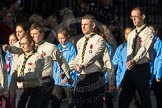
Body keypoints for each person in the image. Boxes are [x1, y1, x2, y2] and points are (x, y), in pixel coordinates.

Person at [69, 14, 114, 108]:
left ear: (93, 25)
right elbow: (78, 58)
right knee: (79, 104)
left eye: (86, 24)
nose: (83, 26)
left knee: (94, 105)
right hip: (82, 77)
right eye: (82, 24)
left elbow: (94, 55)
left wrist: (111, 82)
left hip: (95, 77)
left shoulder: (99, 40)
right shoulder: (80, 41)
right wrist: (67, 69)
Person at [118, 6, 154, 108]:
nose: (133, 19)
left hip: (141, 68)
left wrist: (134, 60)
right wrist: (129, 62)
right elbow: (129, 50)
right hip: (130, 69)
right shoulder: (131, 34)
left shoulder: (148, 32)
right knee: (123, 99)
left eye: (136, 16)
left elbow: (144, 49)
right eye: (131, 17)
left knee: (144, 99)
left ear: (143, 17)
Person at [2, 22, 28, 108]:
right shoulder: (15, 44)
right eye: (16, 31)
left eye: (20, 31)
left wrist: (10, 48)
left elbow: (19, 50)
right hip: (14, 73)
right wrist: (9, 47)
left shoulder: (30, 43)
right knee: (12, 97)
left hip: (26, 73)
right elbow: (14, 48)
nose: (18, 34)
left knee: (23, 98)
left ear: (26, 31)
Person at [51, 27, 78, 108]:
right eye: (59, 38)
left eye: (63, 38)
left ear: (67, 37)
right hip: (57, 79)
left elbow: (73, 64)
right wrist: (54, 77)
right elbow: (55, 64)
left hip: (68, 79)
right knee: (55, 101)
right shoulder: (57, 48)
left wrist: (67, 77)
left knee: (71, 102)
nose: (61, 40)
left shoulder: (72, 49)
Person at [15, 35, 44, 108]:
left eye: (24, 44)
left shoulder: (38, 57)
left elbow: (37, 74)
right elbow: (16, 70)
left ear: (31, 43)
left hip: (34, 90)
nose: (22, 46)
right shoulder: (20, 57)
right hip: (21, 90)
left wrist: (24, 78)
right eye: (21, 44)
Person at [148, 25, 162, 108]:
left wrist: (158, 75)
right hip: (147, 73)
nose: (150, 32)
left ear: (156, 32)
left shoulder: (158, 42)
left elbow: (160, 59)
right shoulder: (144, 42)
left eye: (152, 30)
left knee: (159, 96)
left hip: (155, 74)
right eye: (148, 31)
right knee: (145, 97)